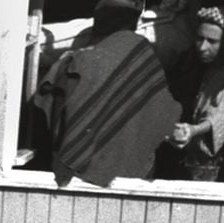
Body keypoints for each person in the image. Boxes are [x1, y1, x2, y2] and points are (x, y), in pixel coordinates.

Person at [33, 0, 182, 186]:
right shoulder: (147, 61)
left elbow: (44, 108)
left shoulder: (71, 62)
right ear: (134, 24)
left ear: (97, 25)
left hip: (74, 173)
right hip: (132, 178)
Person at [168, 6, 224, 181]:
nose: (202, 47)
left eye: (212, 41)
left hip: (217, 168)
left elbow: (220, 116)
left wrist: (192, 130)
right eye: (199, 39)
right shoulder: (207, 67)